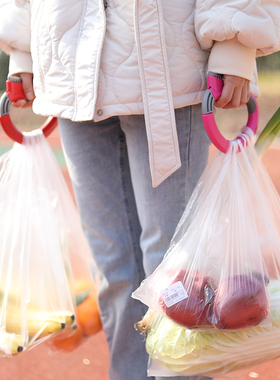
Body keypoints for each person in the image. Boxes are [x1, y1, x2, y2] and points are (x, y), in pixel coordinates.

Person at [0, 1, 279, 379]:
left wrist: (235, 42)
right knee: (113, 269)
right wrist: (23, 47)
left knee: (178, 276)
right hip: (69, 71)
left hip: (166, 69)